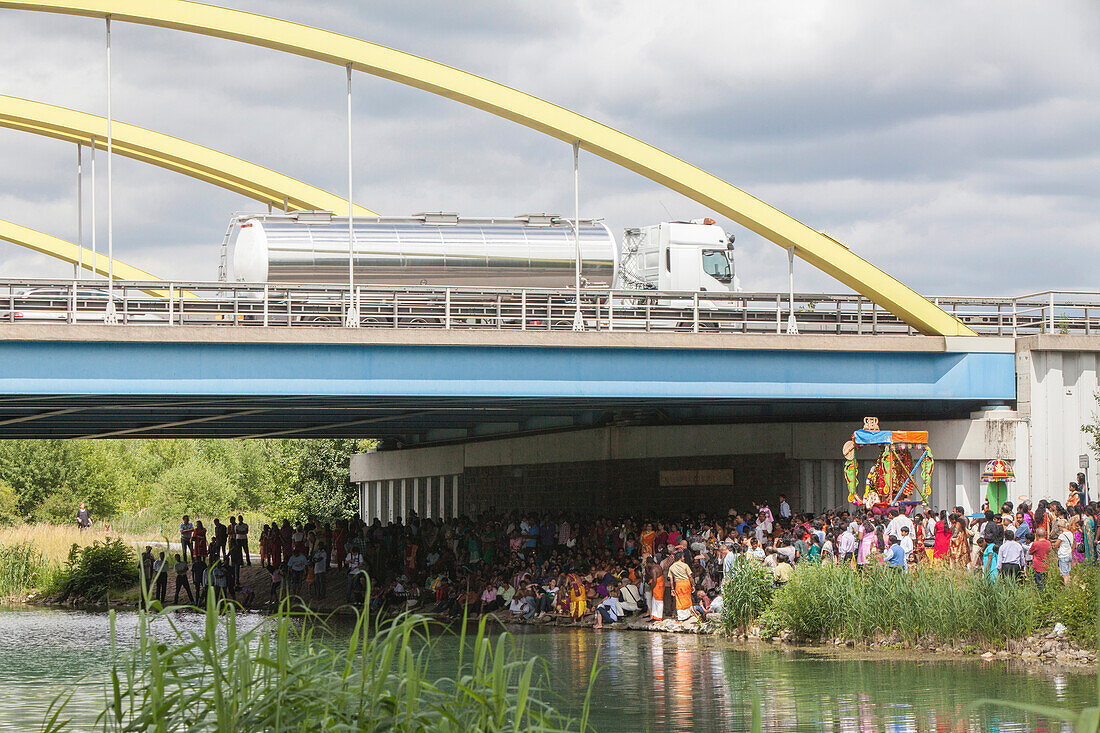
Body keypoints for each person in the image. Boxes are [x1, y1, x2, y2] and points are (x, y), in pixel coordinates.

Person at [668, 551, 695, 621]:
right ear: (680, 558)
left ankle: (681, 616)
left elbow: (671, 579)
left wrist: (672, 589)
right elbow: (690, 576)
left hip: (678, 584)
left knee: (679, 599)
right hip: (686, 583)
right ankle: (688, 614)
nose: (684, 558)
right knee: (687, 598)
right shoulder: (685, 565)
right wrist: (693, 585)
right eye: (683, 557)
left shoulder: (671, 567)